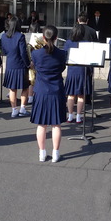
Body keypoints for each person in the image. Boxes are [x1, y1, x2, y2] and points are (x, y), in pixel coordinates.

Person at [30, 25, 67, 163]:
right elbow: (62, 68)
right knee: (56, 124)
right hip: (56, 90)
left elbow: (34, 66)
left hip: (40, 90)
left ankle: (42, 153)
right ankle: (56, 153)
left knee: (41, 124)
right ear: (56, 37)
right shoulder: (62, 54)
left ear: (43, 37)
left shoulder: (36, 53)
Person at [0, 16, 30, 117]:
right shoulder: (20, 36)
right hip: (20, 65)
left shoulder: (4, 36)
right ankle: (22, 108)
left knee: (12, 89)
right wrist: (28, 64)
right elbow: (23, 53)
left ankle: (14, 109)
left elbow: (3, 51)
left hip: (10, 64)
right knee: (25, 87)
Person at [64, 23, 92, 124]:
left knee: (70, 95)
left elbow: (65, 55)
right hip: (82, 71)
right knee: (81, 96)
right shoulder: (86, 43)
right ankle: (79, 117)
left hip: (71, 71)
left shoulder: (68, 42)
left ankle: (70, 116)